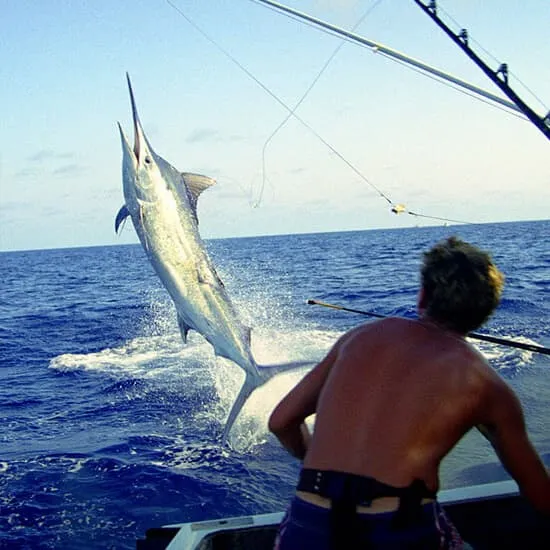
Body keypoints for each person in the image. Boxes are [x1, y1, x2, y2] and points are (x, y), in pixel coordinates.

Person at [269, 236, 550, 549]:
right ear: (485, 312)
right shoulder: (488, 387)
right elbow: (539, 493)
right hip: (397, 528)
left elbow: (281, 421)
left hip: (309, 521)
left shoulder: (359, 338)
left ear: (422, 296)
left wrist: (318, 464)